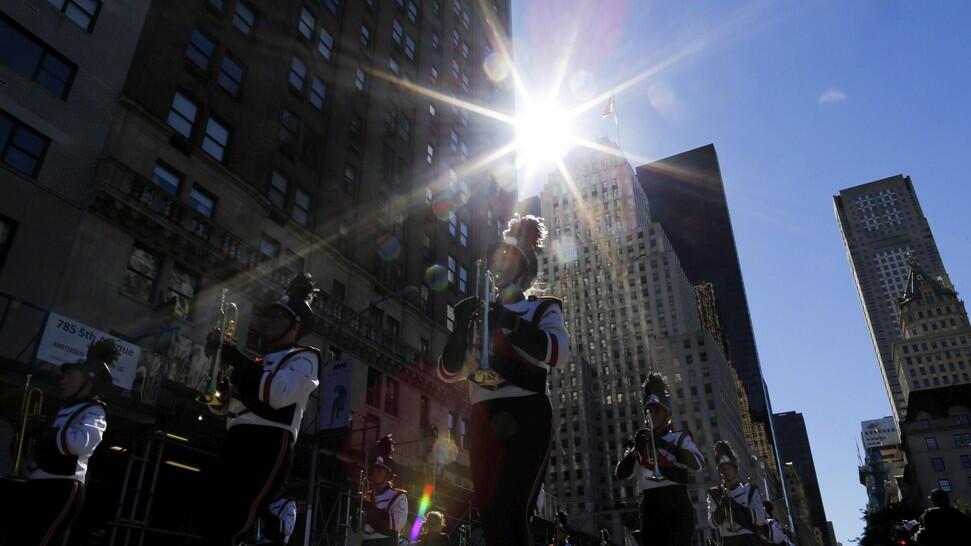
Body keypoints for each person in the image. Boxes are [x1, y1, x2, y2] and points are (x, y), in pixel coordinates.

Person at [438, 215, 570, 546]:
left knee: (513, 509)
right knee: (490, 513)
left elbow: (558, 353)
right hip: (483, 415)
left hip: (527, 412)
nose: (501, 263)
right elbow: (447, 371)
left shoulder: (542, 309)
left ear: (525, 267)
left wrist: (509, 320)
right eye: (499, 256)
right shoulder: (480, 312)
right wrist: (458, 330)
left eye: (509, 257)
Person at [202, 273, 321, 545]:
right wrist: (217, 370)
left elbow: (277, 395)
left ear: (296, 324)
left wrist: (238, 362)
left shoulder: (305, 357)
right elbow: (220, 406)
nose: (268, 321)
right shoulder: (260, 362)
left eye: (278, 316)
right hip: (237, 437)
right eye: (268, 315)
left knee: (236, 521)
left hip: (267, 442)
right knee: (212, 516)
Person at [3, 339, 114, 546]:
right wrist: (24, 435)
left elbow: (81, 444)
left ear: (88, 384)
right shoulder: (61, 410)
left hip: (60, 487)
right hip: (35, 484)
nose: (61, 381)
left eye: (69, 376)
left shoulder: (94, 411)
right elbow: (32, 452)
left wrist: (45, 431)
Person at [614, 372, 705, 546]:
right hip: (650, 506)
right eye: (649, 410)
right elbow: (621, 474)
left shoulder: (679, 438)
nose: (653, 415)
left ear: (666, 413)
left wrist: (663, 445)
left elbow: (698, 463)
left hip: (677, 503)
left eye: (657, 410)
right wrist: (634, 452)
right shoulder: (639, 442)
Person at [706, 441, 766, 546]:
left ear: (735, 469)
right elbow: (712, 523)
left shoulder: (750, 491)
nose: (726, 471)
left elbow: (760, 519)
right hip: (728, 541)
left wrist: (734, 507)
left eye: (729, 468)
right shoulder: (714, 493)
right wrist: (722, 506)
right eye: (723, 469)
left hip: (749, 541)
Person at [361, 435, 409, 545]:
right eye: (374, 471)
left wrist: (371, 510)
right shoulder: (367, 496)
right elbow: (357, 528)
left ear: (388, 475)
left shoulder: (398, 497)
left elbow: (395, 525)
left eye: (379, 472)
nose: (374, 474)